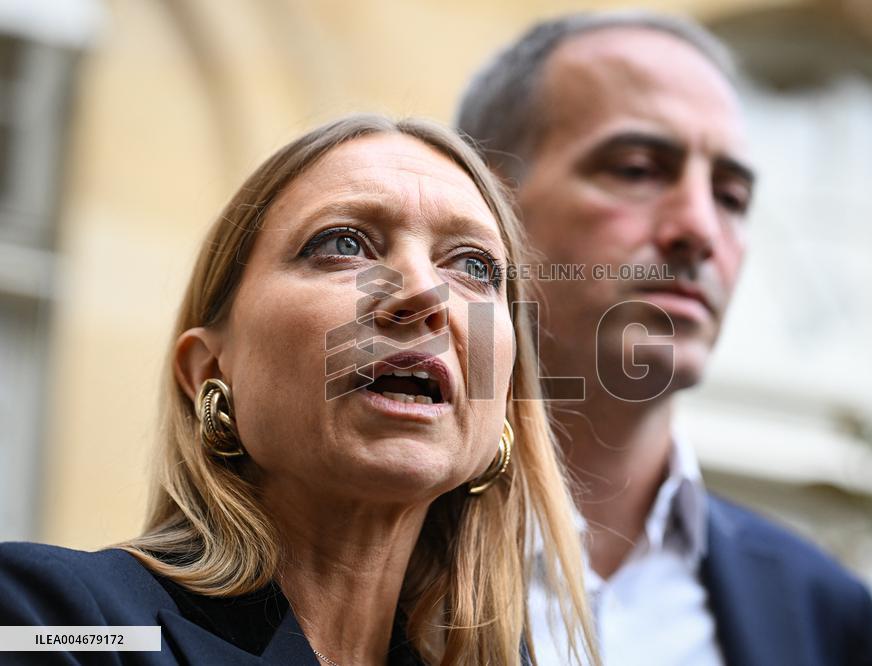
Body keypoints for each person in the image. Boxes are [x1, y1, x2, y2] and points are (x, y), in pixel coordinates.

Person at [0, 115, 598, 665]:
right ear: (210, 368)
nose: (423, 292)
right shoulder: (58, 622)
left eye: (473, 267)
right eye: (344, 244)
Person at [457, 11, 872, 666]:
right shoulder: (345, 546)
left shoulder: (822, 610)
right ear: (485, 206)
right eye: (637, 169)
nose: (700, 229)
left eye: (732, 197)